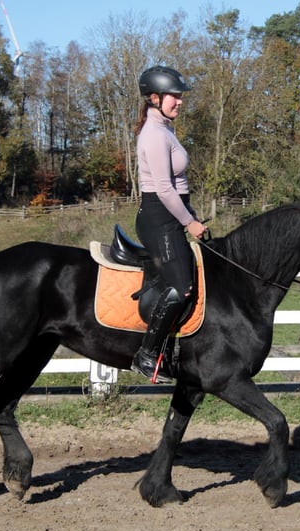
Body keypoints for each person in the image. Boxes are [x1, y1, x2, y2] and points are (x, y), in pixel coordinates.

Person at [131, 65, 208, 383]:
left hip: (171, 213)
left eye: (180, 96)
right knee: (182, 286)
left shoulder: (164, 129)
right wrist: (189, 222)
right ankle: (146, 356)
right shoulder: (153, 134)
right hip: (159, 217)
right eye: (174, 96)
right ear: (154, 98)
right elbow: (163, 188)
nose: (180, 101)